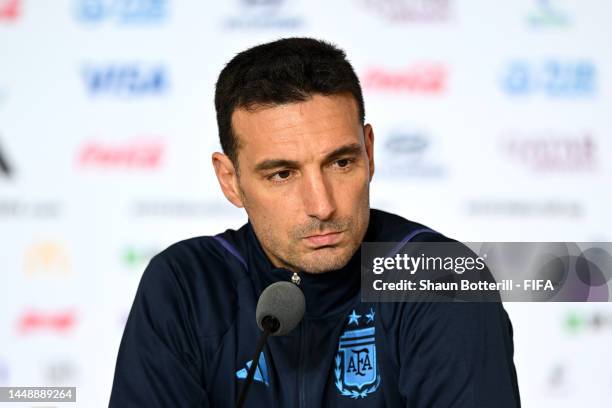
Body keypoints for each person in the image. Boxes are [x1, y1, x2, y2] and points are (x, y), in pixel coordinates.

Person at [109, 37, 521, 407]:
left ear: (370, 152)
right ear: (230, 180)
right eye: (282, 174)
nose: (322, 206)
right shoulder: (187, 284)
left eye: (341, 162)